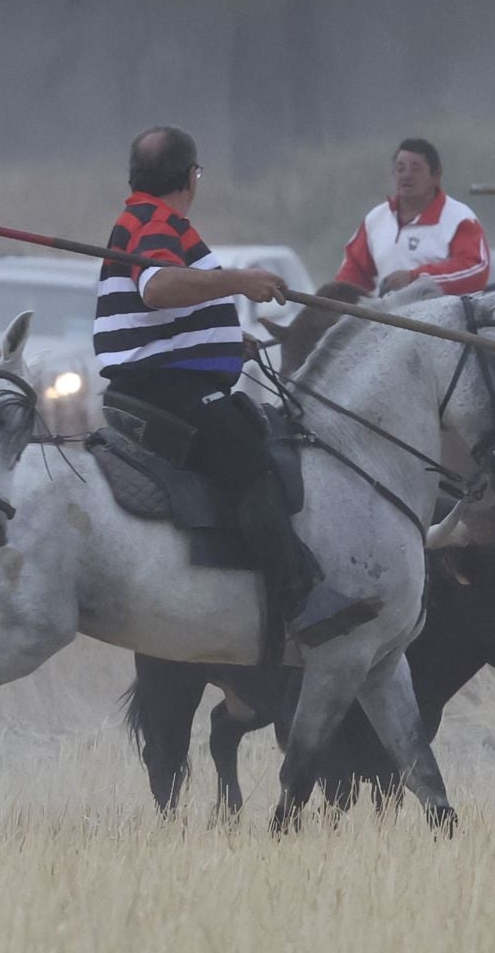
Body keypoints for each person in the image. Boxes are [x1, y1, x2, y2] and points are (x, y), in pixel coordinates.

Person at [93, 125, 377, 648]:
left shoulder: (142, 217)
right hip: (162, 388)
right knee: (249, 458)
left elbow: (166, 304)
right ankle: (302, 599)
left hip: (168, 376)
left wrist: (225, 339)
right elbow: (158, 288)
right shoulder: (156, 220)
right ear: (189, 177)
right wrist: (239, 281)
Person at [335, 138, 490, 296]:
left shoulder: (460, 218)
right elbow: (353, 275)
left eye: (416, 169)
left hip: (441, 318)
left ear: (436, 175)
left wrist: (414, 278)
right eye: (400, 169)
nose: (406, 175)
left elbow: (475, 271)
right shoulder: (375, 219)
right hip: (386, 317)